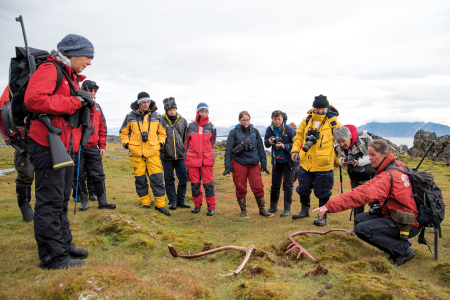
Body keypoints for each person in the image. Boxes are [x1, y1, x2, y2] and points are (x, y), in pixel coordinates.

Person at [24, 34, 95, 269]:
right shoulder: (50, 69)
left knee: (61, 200)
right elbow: (34, 100)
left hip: (64, 147)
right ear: (73, 53)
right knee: (50, 202)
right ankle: (53, 258)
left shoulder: (68, 76)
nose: (89, 62)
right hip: (47, 146)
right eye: (87, 56)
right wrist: (76, 102)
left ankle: (63, 246)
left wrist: (83, 101)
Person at [313, 139, 420, 265]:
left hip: (407, 223)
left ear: (385, 154)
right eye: (369, 155)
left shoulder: (387, 176)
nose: (370, 159)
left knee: (362, 229)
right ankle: (400, 242)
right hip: (399, 214)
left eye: (374, 155)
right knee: (360, 218)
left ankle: (403, 250)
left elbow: (360, 195)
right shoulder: (397, 164)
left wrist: (329, 206)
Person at [291, 94, 342, 226]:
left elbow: (341, 141)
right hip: (306, 162)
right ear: (313, 107)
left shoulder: (334, 122)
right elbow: (298, 136)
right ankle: (304, 211)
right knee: (303, 188)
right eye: (317, 108)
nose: (320, 111)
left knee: (323, 191)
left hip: (324, 164)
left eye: (322, 108)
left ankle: (322, 216)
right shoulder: (307, 119)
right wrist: (295, 150)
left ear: (327, 107)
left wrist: (338, 160)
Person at [119, 92, 170, 216]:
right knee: (140, 180)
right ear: (138, 103)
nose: (146, 104)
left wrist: (160, 144)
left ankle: (160, 204)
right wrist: (127, 145)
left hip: (152, 153)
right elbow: (123, 133)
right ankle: (145, 203)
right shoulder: (130, 116)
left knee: (157, 179)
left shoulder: (157, 116)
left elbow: (163, 133)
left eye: (148, 102)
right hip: (136, 154)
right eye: (143, 102)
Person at [71, 80, 115, 211]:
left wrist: (102, 145)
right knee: (80, 175)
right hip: (78, 146)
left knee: (98, 174)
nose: (94, 93)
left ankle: (103, 200)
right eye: (91, 90)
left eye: (95, 91)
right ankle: (84, 201)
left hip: (93, 146)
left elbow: (102, 127)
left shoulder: (98, 107)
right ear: (84, 90)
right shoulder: (76, 104)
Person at [223, 111, 272, 218]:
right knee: (240, 186)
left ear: (250, 120)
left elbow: (260, 148)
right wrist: (227, 165)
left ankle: (262, 209)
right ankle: (243, 210)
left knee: (258, 185)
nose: (245, 122)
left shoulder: (255, 131)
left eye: (247, 120)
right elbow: (228, 150)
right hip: (239, 162)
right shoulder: (233, 132)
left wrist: (263, 162)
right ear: (239, 120)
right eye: (243, 120)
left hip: (254, 163)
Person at [0, 85, 35, 222]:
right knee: (26, 173)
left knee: (47, 175)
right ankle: (25, 206)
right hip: (22, 142)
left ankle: (44, 208)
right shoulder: (15, 86)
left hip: (42, 138)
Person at [333, 125, 372, 220]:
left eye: (343, 141)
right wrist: (342, 161)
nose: (341, 144)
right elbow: (339, 158)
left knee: (374, 200)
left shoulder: (366, 139)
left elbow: (375, 156)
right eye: (339, 142)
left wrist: (358, 162)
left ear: (350, 136)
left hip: (371, 174)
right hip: (355, 175)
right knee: (357, 199)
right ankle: (357, 225)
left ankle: (374, 226)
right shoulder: (336, 145)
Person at [264, 110, 299, 217]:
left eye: (279, 119)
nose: (277, 121)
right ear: (272, 119)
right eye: (275, 119)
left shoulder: (289, 129)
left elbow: (296, 144)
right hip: (276, 161)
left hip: (289, 161)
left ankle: (287, 210)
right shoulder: (269, 129)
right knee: (275, 185)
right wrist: (269, 142)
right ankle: (273, 207)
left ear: (283, 118)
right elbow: (266, 143)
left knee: (288, 185)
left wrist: (285, 146)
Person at [185, 103, 217, 216]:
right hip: (193, 160)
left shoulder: (211, 127)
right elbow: (186, 144)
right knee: (195, 185)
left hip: (206, 161)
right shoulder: (190, 127)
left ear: (208, 113)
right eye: (201, 111)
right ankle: (197, 205)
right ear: (197, 112)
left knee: (208, 185)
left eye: (205, 112)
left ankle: (211, 207)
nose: (204, 113)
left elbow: (212, 143)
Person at [160, 97, 191, 210]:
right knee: (169, 179)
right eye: (170, 110)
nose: (172, 111)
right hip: (166, 156)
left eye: (174, 109)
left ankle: (181, 201)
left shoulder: (183, 121)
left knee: (183, 178)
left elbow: (186, 139)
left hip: (180, 156)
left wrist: (185, 152)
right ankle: (172, 201)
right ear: (166, 110)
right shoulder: (161, 120)